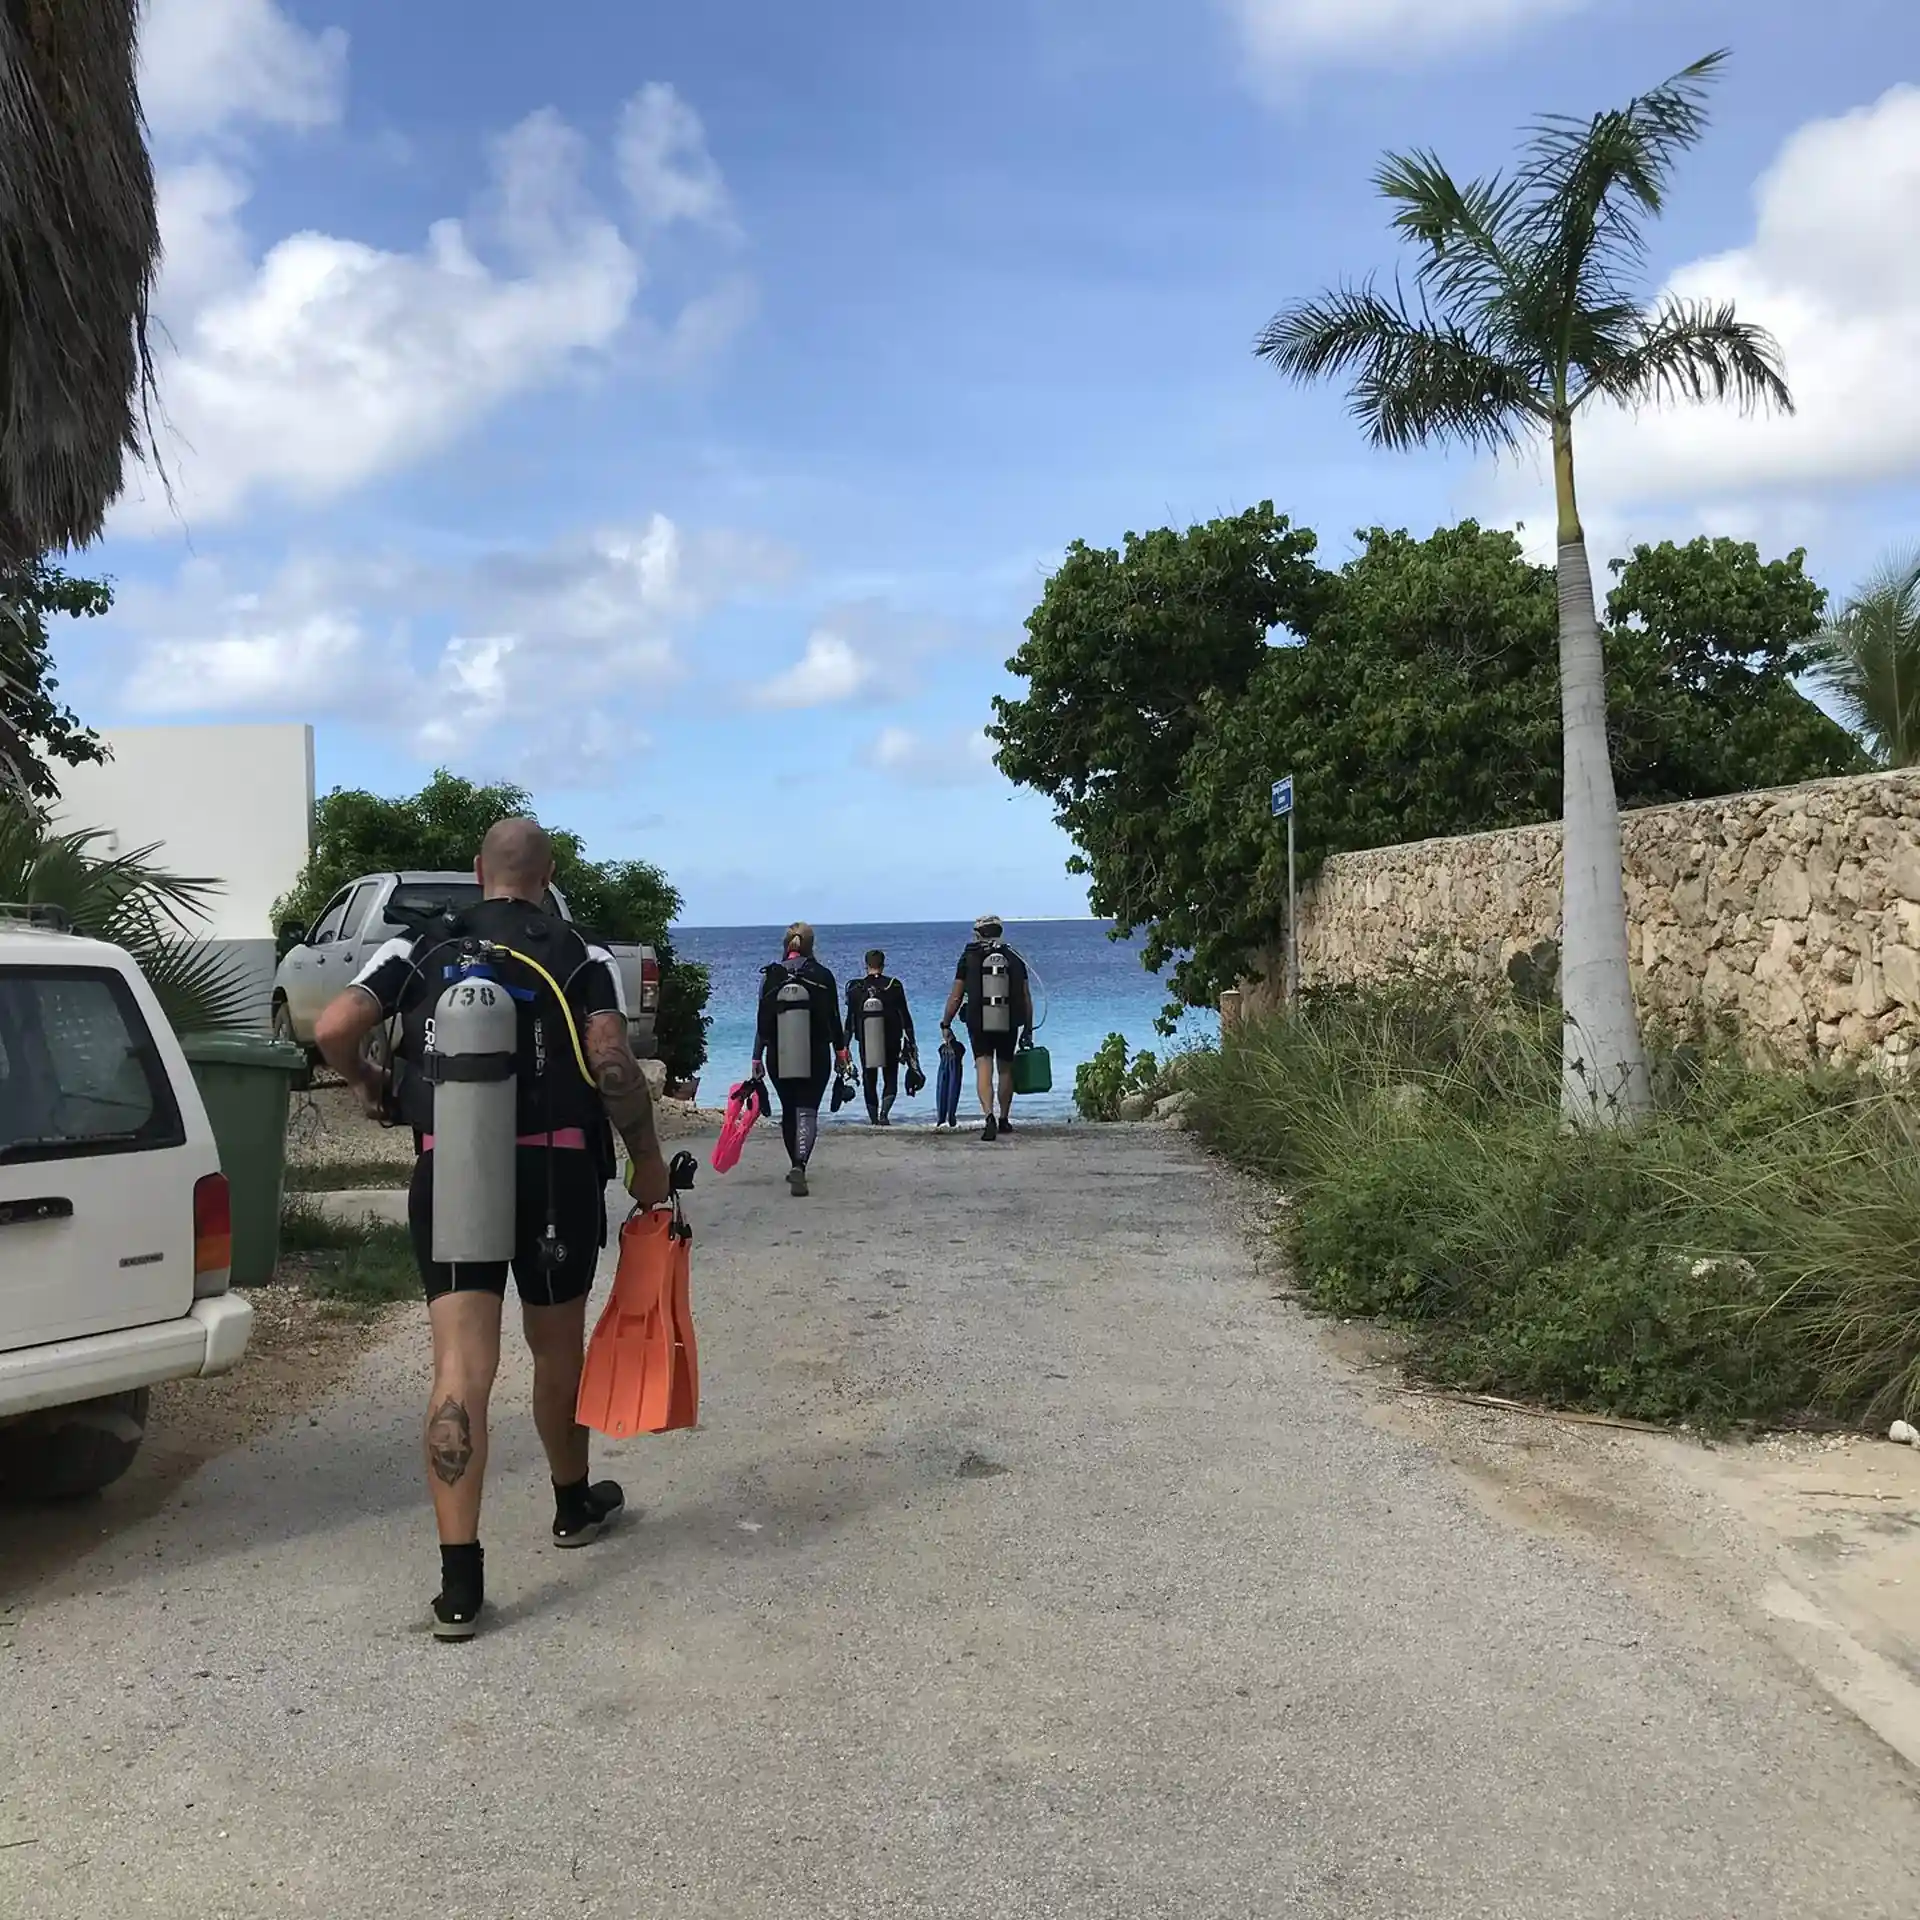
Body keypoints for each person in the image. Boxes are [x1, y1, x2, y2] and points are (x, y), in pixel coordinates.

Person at [314, 818, 669, 1641]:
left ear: (478, 872)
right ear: (547, 875)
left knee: (462, 1365)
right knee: (555, 1351)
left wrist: (371, 1082)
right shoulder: (582, 953)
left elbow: (334, 1027)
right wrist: (644, 1155)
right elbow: (611, 1063)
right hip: (553, 1177)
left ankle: (460, 1585)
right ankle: (573, 1503)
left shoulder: (421, 945)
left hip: (455, 1171)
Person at [752, 921, 846, 1196]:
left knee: (789, 1108)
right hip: (816, 1054)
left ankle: (794, 1162)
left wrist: (756, 1058)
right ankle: (800, 1165)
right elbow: (834, 1018)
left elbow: (762, 1023)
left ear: (786, 945)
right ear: (811, 945)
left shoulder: (770, 976)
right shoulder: (823, 975)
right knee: (808, 1110)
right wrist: (841, 1053)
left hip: (778, 1055)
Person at [940, 913, 1033, 1141]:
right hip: (1008, 1019)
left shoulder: (969, 957)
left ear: (978, 933)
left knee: (983, 1067)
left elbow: (956, 995)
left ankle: (988, 1116)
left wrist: (946, 1022)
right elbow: (1026, 996)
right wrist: (1028, 1028)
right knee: (1005, 1069)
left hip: (978, 1020)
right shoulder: (1014, 956)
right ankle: (1004, 1119)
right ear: (999, 932)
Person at [844, 949, 916, 1126]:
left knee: (870, 1079)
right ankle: (884, 1114)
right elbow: (905, 1016)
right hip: (891, 1040)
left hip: (866, 1042)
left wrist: (844, 1047)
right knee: (890, 1077)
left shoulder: (855, 989)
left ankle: (873, 1119)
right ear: (883, 965)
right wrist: (912, 1042)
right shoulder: (894, 985)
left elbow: (849, 1022)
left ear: (866, 965)